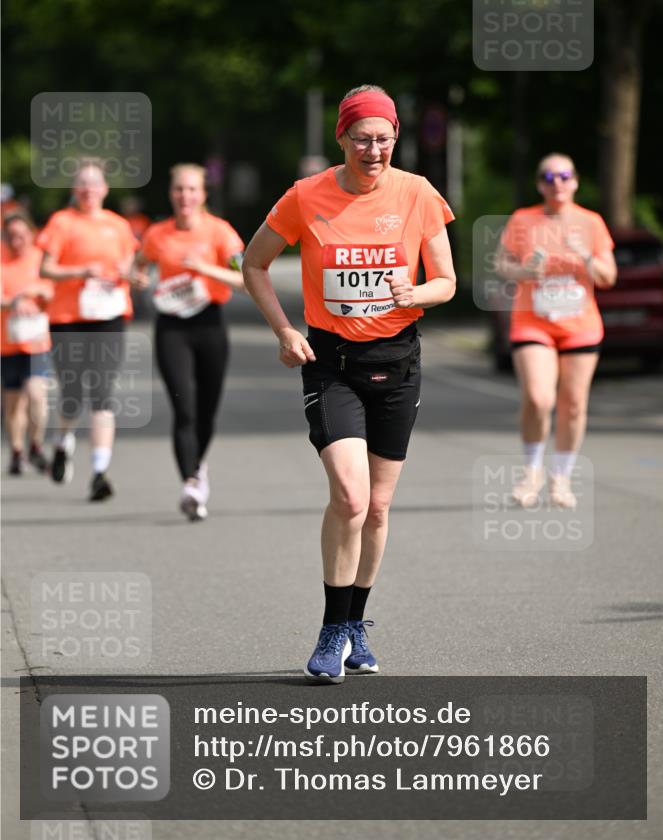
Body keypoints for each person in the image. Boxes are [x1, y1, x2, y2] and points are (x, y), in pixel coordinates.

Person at [243, 85, 456, 683]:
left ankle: (357, 622)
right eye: (362, 138)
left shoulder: (416, 193)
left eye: (384, 139)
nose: (373, 150)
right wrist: (285, 330)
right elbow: (253, 263)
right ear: (341, 138)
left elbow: (446, 282)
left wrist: (415, 292)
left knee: (379, 508)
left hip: (398, 362)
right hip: (332, 362)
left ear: (396, 139)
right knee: (351, 498)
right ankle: (333, 627)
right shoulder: (305, 195)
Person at [494, 152, 617, 509]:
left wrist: (584, 256)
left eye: (564, 176)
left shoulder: (591, 222)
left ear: (575, 182)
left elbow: (608, 277)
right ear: (540, 184)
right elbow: (502, 264)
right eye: (549, 177)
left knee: (574, 405)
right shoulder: (523, 219)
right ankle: (532, 471)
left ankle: (560, 477)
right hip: (533, 322)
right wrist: (525, 272)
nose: (557, 183)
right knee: (538, 398)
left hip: (580, 326)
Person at [136, 164, 245, 521]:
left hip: (210, 323)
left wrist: (204, 268)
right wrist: (137, 278)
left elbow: (246, 279)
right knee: (184, 408)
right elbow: (138, 266)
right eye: (179, 189)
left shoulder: (220, 232)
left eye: (192, 189)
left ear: (203, 194)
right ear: (171, 194)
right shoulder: (157, 234)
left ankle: (197, 466)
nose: (185, 196)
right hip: (171, 327)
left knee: (207, 410)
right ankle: (191, 481)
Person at [37, 158, 139, 501]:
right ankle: (62, 442)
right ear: (74, 189)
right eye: (83, 183)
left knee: (102, 391)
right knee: (72, 393)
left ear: (105, 189)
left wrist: (130, 275)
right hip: (68, 318)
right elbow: (46, 269)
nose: (88, 189)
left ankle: (99, 471)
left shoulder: (118, 226)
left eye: (94, 183)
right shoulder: (61, 222)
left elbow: (129, 266)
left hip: (109, 315)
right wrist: (81, 271)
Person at [1, 213, 53, 474]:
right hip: (7, 342)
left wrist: (37, 293)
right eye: (11, 237)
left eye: (21, 236)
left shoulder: (41, 259)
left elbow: (52, 290)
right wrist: (14, 302)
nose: (17, 242)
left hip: (37, 342)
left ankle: (36, 445)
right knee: (13, 403)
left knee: (36, 394)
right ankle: (16, 451)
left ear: (32, 234)